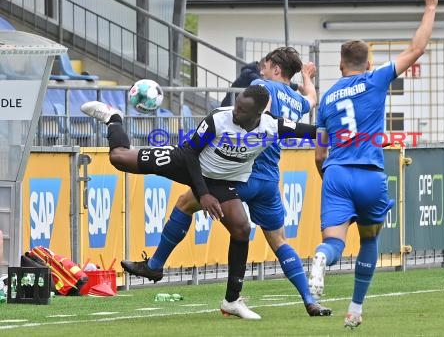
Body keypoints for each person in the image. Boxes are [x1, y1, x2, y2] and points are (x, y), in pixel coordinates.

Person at [121, 47, 332, 317]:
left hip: (240, 174)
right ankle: (309, 300)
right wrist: (308, 78)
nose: (260, 68)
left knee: (186, 202)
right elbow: (311, 99)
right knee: (279, 241)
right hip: (269, 180)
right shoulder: (296, 100)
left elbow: (259, 117)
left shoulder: (261, 87)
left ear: (276, 69)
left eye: (265, 64)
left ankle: (155, 264)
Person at [80, 85, 316, 320]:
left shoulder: (273, 126)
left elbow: (316, 132)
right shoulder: (218, 119)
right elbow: (191, 153)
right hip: (186, 162)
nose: (235, 111)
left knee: (242, 229)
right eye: (237, 104)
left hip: (221, 181)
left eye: (242, 110)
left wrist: (349, 134)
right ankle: (113, 118)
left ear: (259, 114)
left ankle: (232, 300)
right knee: (119, 158)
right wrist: (202, 194)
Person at [308, 0, 439, 329]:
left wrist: (331, 176)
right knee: (369, 238)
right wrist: (429, 8)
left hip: (336, 173)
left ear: (339, 65)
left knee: (333, 242)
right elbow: (417, 49)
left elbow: (319, 153)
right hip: (369, 173)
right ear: (368, 64)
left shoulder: (328, 98)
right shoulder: (375, 79)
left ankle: (320, 260)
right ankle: (355, 308)